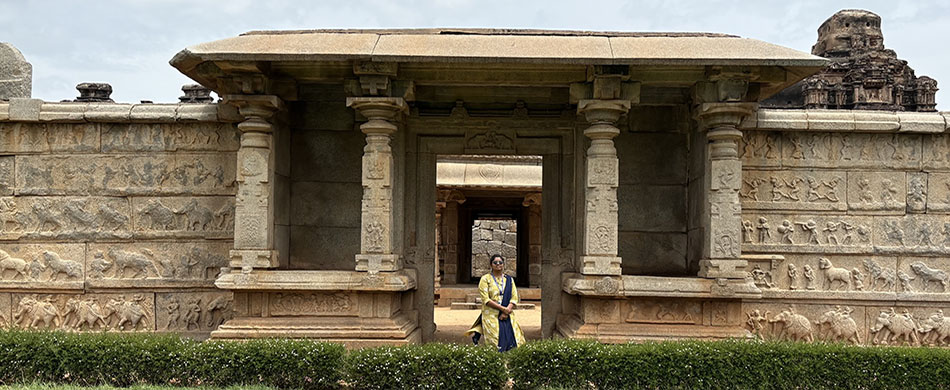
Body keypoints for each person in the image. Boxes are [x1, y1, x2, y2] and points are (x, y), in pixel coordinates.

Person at [465, 254, 526, 352]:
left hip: (507, 314)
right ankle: (497, 364)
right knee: (495, 340)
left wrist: (506, 311)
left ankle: (511, 364)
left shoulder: (509, 280)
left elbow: (514, 297)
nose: (498, 264)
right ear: (491, 265)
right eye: (495, 262)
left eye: (500, 262)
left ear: (503, 264)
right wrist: (503, 309)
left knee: (516, 339)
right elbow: (486, 300)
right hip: (491, 315)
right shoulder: (485, 279)